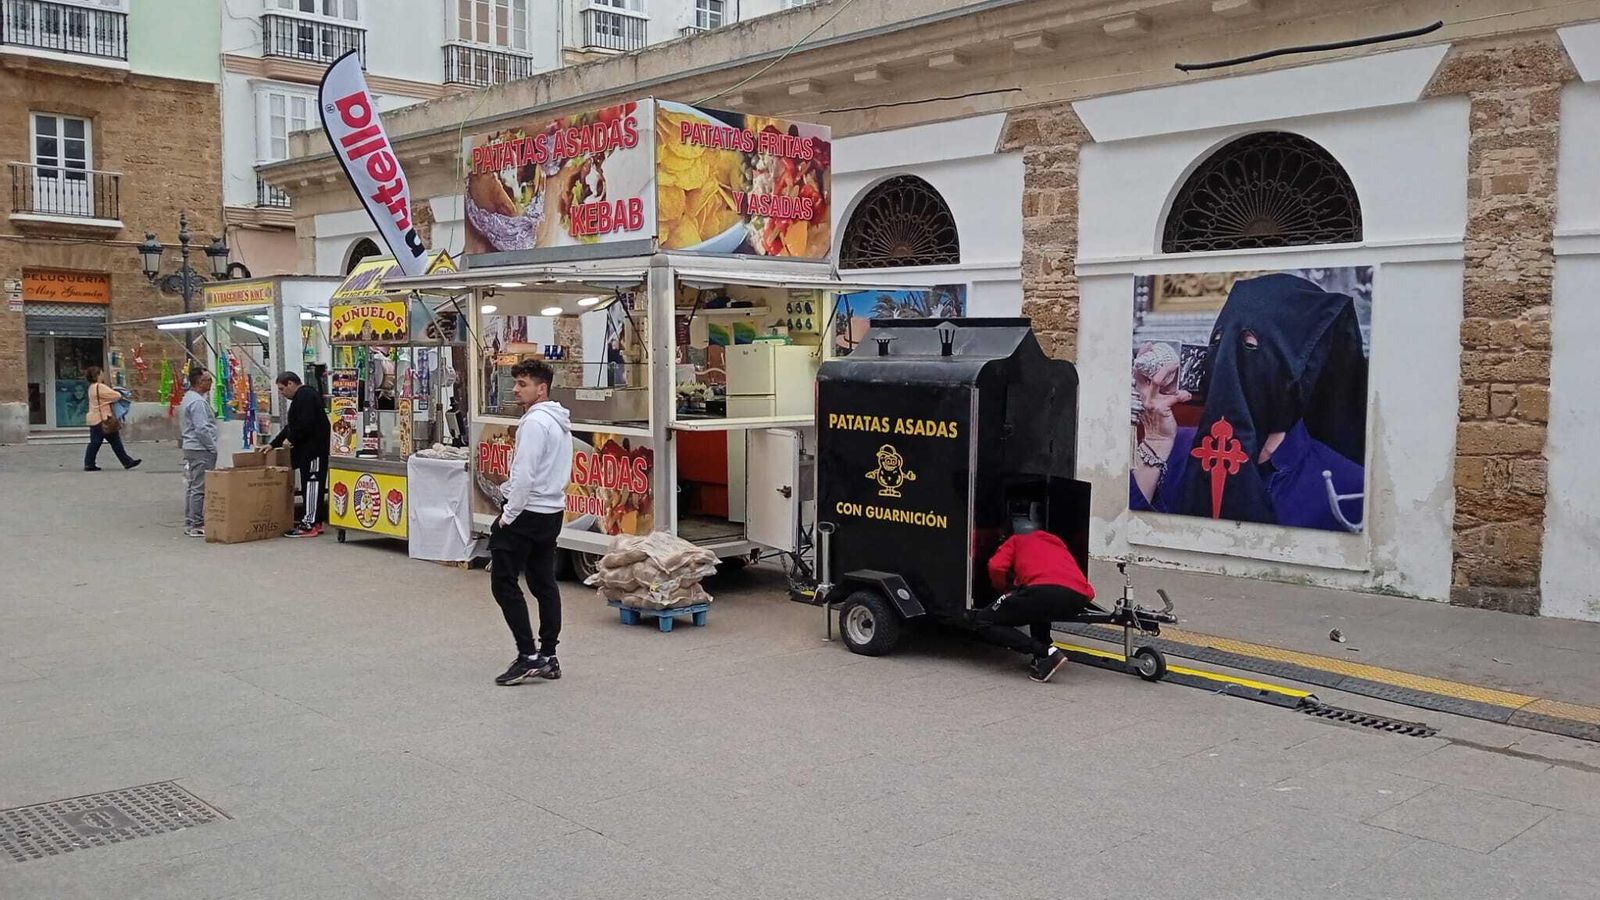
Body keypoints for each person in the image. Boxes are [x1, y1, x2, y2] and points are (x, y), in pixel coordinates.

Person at [1130, 274, 1367, 532]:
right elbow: (1119, 540)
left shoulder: (1346, 484)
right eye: (1220, 341)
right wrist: (1156, 442)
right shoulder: (1175, 447)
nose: (1226, 361)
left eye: (1247, 345)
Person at [489, 360, 572, 686]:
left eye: (523, 383)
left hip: (528, 512)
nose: (516, 388)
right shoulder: (560, 421)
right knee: (542, 582)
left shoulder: (535, 423)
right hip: (552, 512)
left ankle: (527, 655)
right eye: (517, 383)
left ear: (542, 388)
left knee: (504, 582)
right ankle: (549, 655)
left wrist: (508, 516)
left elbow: (524, 475)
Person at [974, 509, 1096, 684]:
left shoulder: (1017, 540)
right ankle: (1043, 659)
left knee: (983, 621)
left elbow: (996, 566)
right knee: (1038, 609)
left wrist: (1003, 588)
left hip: (1041, 591)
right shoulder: (1059, 547)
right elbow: (1088, 591)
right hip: (1075, 597)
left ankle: (1045, 652)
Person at [266, 371, 331, 538]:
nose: (281, 393)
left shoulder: (306, 396)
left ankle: (309, 523)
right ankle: (314, 520)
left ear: (290, 384)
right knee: (309, 483)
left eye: (282, 389)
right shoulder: (301, 398)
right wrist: (273, 444)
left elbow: (304, 424)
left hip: (314, 450)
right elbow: (291, 426)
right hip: (307, 451)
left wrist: (291, 439)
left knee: (312, 484)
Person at [179, 369, 218, 537]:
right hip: (200, 448)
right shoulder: (198, 403)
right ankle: (196, 523)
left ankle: (190, 520)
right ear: (199, 382)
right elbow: (202, 428)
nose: (211, 383)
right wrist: (212, 447)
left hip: (191, 446)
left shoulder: (188, 398)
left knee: (193, 485)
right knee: (199, 486)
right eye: (208, 380)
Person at [83, 365, 141, 472]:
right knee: (112, 441)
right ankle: (126, 462)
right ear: (97, 375)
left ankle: (89, 463)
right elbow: (116, 396)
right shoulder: (100, 387)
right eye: (101, 373)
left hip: (95, 418)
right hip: (104, 419)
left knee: (97, 442)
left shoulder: (91, 387)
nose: (103, 375)